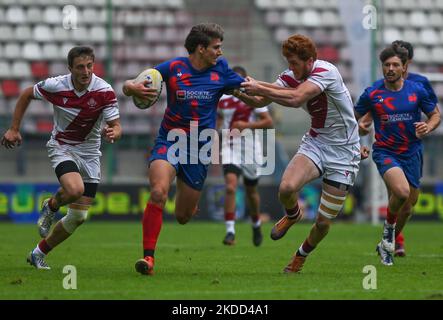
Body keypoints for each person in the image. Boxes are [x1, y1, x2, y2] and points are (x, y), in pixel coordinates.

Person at [123, 23, 245, 276]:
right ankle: (148, 258)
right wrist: (130, 87)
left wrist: (270, 94)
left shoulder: (221, 70)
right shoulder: (173, 68)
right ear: (201, 49)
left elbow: (248, 90)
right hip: (169, 141)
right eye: (216, 47)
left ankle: (189, 201)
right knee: (158, 192)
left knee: (183, 216)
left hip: (199, 150)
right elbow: (134, 84)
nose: (220, 52)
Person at [235, 34, 361, 273]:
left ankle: (300, 256)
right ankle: (293, 215)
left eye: (294, 63)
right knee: (286, 188)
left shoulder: (326, 71)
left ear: (310, 60)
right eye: (288, 62)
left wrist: (258, 85)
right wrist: (237, 90)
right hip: (317, 143)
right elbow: (260, 99)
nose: (290, 68)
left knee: (323, 223)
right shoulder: (289, 76)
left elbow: (295, 99)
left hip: (344, 152)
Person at [1, 46, 121, 269]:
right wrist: (14, 128)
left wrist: (114, 131)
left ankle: (38, 253)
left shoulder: (105, 90)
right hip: (62, 147)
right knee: (74, 189)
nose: (85, 72)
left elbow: (116, 125)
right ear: (70, 69)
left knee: (78, 217)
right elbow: (27, 93)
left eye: (89, 66)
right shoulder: (57, 85)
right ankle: (52, 205)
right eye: (80, 67)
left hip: (91, 154)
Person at [355, 44, 440, 266]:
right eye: (387, 65)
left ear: (404, 68)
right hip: (385, 151)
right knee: (401, 192)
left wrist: (428, 127)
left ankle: (387, 240)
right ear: (382, 67)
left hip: (412, 152)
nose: (391, 68)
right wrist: (360, 131)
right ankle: (389, 237)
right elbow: (354, 120)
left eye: (395, 65)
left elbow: (435, 115)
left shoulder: (417, 89)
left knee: (409, 205)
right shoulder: (372, 93)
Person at [217, 66, 273, 247]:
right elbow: (218, 120)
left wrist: (246, 125)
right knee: (231, 187)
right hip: (229, 147)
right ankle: (230, 231)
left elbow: (268, 122)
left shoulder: (254, 98)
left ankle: (256, 224)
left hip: (250, 148)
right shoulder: (222, 98)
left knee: (251, 192)